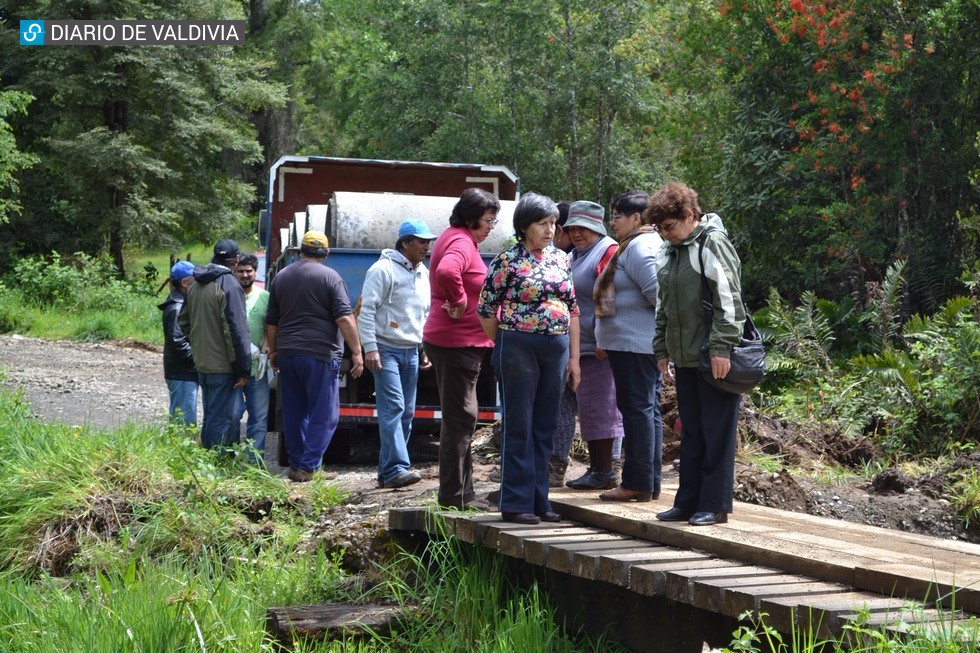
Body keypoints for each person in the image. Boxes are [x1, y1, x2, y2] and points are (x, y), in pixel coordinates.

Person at [478, 192, 580, 525]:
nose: (550, 229)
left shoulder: (561, 259)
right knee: (519, 424)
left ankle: (540, 501)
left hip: (557, 347)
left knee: (545, 425)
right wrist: (509, 340)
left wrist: (574, 359)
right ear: (524, 226)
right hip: (518, 346)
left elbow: (573, 309)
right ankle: (515, 502)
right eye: (542, 223)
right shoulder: (507, 260)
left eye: (553, 223)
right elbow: (485, 308)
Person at [648, 183, 746, 526]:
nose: (664, 234)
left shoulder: (712, 242)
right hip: (685, 357)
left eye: (669, 226)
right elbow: (664, 306)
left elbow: (730, 301)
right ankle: (687, 502)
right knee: (691, 430)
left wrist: (722, 348)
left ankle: (715, 504)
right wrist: (661, 348)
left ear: (690, 215)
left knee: (717, 431)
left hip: (712, 355)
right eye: (659, 228)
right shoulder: (670, 251)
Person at [265, 230, 364, 483]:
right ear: (326, 253)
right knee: (325, 414)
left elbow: (272, 321)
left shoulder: (282, 276)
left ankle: (298, 464)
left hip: (288, 353)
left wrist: (274, 350)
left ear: (300, 251)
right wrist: (356, 351)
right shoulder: (331, 277)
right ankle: (308, 467)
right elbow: (344, 317)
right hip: (320, 353)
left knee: (295, 411)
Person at [423, 187, 500, 510]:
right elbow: (446, 271)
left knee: (461, 419)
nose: (490, 228)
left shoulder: (456, 237)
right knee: (460, 420)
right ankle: (455, 496)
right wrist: (457, 301)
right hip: (457, 344)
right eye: (487, 222)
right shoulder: (460, 242)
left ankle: (463, 492)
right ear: (470, 219)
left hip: (457, 342)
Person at [593, 191, 664, 503]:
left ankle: (636, 482)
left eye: (618, 215)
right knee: (646, 411)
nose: (613, 222)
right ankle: (648, 482)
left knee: (637, 411)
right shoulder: (641, 244)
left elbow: (659, 294)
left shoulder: (639, 247)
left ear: (637, 218)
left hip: (637, 346)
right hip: (637, 344)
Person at [358, 218, 436, 489]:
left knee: (406, 413)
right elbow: (366, 311)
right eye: (421, 241)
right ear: (406, 243)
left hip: (411, 351)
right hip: (386, 350)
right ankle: (397, 468)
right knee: (393, 408)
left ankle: (387, 472)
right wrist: (370, 348)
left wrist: (423, 346)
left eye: (428, 241)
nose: (426, 246)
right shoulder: (381, 270)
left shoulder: (423, 273)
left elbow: (424, 314)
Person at [561, 200, 626, 491]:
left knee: (602, 410)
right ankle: (598, 469)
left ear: (596, 227)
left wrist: (603, 337)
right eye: (572, 228)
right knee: (590, 410)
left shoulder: (607, 250)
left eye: (583, 228)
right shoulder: (575, 254)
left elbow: (608, 296)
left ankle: (604, 471)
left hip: (600, 346)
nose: (577, 233)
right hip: (581, 345)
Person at [178, 239, 252, 451]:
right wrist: (243, 368)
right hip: (223, 365)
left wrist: (201, 343)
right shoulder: (229, 284)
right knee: (222, 418)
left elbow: (183, 321)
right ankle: (216, 464)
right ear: (235, 260)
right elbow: (235, 331)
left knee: (210, 414)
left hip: (202, 362)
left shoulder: (195, 283)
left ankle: (207, 461)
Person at [230, 253, 270, 464]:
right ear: (234, 272)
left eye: (249, 271)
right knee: (234, 414)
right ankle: (231, 459)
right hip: (233, 370)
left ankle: (254, 464)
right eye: (241, 271)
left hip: (258, 370)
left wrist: (268, 343)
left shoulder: (265, 297)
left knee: (259, 417)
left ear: (256, 272)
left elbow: (272, 326)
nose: (245, 275)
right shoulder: (227, 296)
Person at [159, 260, 198, 426]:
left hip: (183, 372)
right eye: (194, 279)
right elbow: (178, 341)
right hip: (182, 373)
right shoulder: (177, 307)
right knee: (184, 422)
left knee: (183, 419)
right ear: (184, 282)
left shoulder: (181, 302)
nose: (197, 282)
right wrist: (197, 360)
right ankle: (180, 452)